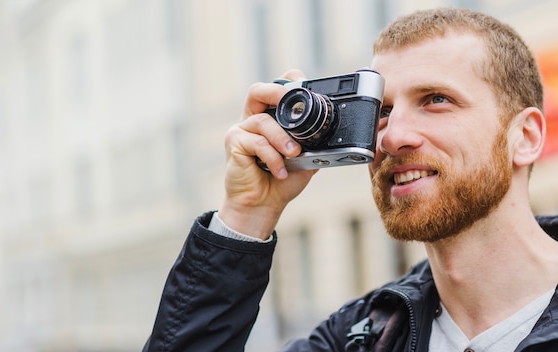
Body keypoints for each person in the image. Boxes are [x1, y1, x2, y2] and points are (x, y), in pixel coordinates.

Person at [144, 7, 558, 352]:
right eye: (381, 110)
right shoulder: (360, 336)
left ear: (524, 137)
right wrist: (245, 218)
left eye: (436, 100)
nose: (392, 137)